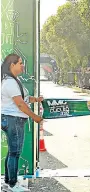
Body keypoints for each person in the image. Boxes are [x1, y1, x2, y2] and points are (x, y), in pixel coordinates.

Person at [1, 54, 43, 191]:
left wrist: (36, 99)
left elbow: (24, 98)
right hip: (13, 119)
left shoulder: (14, 80)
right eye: (20, 63)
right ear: (12, 65)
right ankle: (13, 184)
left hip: (13, 119)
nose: (22, 65)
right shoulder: (10, 82)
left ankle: (8, 181)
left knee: (12, 152)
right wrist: (34, 117)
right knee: (15, 153)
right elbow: (20, 104)